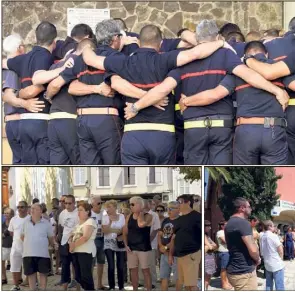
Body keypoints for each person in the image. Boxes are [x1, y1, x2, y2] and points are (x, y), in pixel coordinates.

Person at [124, 20, 288, 165]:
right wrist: (276, 90)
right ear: (217, 37)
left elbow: (163, 88)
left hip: (193, 128)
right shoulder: (226, 55)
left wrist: (136, 107)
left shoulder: (185, 59)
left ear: (197, 37)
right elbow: (248, 75)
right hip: (221, 128)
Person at [82, 23, 231, 165]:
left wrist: (87, 46)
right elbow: (195, 53)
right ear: (160, 45)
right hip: (163, 134)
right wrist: (220, 43)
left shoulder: (123, 62)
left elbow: (91, 59)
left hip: (133, 134)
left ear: (139, 43)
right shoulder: (166, 59)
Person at [3, 21, 57, 164]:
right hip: (39, 120)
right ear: (54, 42)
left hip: (23, 123)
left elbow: (4, 62)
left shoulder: (19, 60)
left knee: (26, 164)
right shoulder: (48, 58)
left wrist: (21, 93)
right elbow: (36, 87)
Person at [2, 34, 45, 164]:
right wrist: (25, 104)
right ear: (20, 48)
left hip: (12, 124)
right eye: (24, 46)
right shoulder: (13, 70)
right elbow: (8, 96)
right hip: (16, 122)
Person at [225, 197, 260, 290]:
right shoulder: (243, 223)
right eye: (249, 206)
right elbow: (253, 250)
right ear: (242, 208)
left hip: (234, 268)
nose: (251, 209)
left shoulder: (229, 223)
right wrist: (258, 259)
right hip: (243, 271)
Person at [169, 194, 202, 290]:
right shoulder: (179, 219)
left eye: (180, 202)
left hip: (191, 254)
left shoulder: (197, 216)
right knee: (186, 285)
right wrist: (171, 254)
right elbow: (173, 238)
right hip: (180, 256)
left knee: (192, 285)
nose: (178, 204)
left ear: (188, 202)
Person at [21, 203, 56, 290]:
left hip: (43, 253)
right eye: (31, 208)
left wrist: (53, 245)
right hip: (28, 253)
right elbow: (22, 236)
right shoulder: (25, 222)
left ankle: (43, 290)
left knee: (43, 274)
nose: (32, 210)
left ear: (40, 211)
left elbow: (51, 238)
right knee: (31, 274)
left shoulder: (47, 223)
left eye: (35, 209)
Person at [123, 196, 153, 290]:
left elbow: (141, 224)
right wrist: (126, 245)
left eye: (132, 204)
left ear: (140, 205)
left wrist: (140, 214)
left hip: (144, 248)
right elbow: (125, 232)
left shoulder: (148, 216)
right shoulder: (129, 217)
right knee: (133, 271)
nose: (130, 206)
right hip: (131, 248)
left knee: (145, 271)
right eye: (130, 204)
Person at [69, 201, 97, 291]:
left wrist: (73, 245)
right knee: (79, 277)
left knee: (86, 277)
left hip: (86, 252)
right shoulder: (78, 225)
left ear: (87, 211)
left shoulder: (90, 221)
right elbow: (71, 235)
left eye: (81, 210)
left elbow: (85, 237)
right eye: (78, 210)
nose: (78, 212)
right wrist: (70, 242)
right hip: (76, 253)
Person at [101, 200, 126, 290]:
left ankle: (121, 286)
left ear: (115, 207)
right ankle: (111, 286)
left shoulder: (122, 216)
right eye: (107, 207)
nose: (108, 209)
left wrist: (111, 229)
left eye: (110, 207)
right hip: (108, 243)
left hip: (120, 243)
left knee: (120, 266)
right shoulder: (105, 217)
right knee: (111, 266)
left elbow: (123, 230)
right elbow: (105, 231)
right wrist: (111, 223)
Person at [158, 201, 181, 291]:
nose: (169, 210)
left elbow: (176, 238)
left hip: (176, 254)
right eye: (167, 208)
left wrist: (166, 247)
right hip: (164, 254)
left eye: (171, 208)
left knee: (178, 278)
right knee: (164, 277)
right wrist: (160, 246)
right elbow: (159, 234)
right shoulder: (166, 220)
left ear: (178, 210)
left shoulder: (181, 221)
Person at [58, 195, 79, 290]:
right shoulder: (62, 213)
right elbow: (62, 227)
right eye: (65, 203)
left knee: (77, 267)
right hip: (64, 243)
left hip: (76, 243)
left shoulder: (79, 212)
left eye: (69, 203)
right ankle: (64, 289)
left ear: (74, 203)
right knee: (65, 267)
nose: (67, 205)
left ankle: (78, 288)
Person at [138, 200, 161, 289]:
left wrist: (148, 240)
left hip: (151, 243)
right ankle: (141, 281)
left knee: (151, 263)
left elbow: (156, 229)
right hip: (140, 244)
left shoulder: (154, 215)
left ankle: (152, 281)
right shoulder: (139, 214)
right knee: (141, 263)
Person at [8, 201, 30, 291]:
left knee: (29, 267)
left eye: (22, 207)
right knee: (14, 267)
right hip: (16, 246)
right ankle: (16, 285)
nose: (20, 209)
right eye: (18, 207)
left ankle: (31, 283)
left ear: (26, 208)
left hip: (28, 247)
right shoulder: (13, 219)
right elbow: (11, 232)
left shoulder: (30, 219)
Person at [260, 220, 285, 290]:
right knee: (279, 285)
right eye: (273, 226)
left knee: (268, 284)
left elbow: (261, 251)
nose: (274, 227)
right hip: (276, 264)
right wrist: (281, 259)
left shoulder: (262, 236)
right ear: (270, 226)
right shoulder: (273, 236)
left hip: (267, 263)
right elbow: (280, 249)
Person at [90, 195, 107, 290]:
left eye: (101, 203)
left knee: (101, 263)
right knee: (91, 263)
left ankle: (99, 284)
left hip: (102, 239)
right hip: (92, 240)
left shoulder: (104, 213)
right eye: (98, 203)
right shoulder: (89, 213)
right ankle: (90, 285)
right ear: (92, 204)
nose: (100, 205)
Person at [216, 221, 232, 290]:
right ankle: (223, 284)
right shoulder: (220, 232)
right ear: (222, 226)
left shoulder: (226, 232)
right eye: (226, 225)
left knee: (227, 268)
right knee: (223, 269)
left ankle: (227, 282)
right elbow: (226, 241)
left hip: (227, 252)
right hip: (223, 252)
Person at [2, 208, 15, 285]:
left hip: (13, 246)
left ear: (12, 215)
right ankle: (4, 278)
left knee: (15, 263)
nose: (6, 215)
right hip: (4, 245)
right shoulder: (2, 224)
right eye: (5, 213)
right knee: (2, 262)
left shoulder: (14, 224)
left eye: (8, 213)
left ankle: (17, 278)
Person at [204, 220, 217, 290]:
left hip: (210, 257)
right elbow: (210, 246)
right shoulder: (201, 235)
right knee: (205, 278)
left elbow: (215, 246)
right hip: (205, 259)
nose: (210, 228)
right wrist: (209, 246)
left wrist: (210, 246)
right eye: (208, 226)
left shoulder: (207, 236)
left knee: (208, 277)